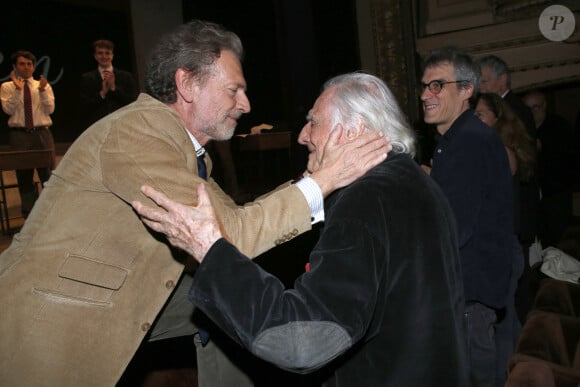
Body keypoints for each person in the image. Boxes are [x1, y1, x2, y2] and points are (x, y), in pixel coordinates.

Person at [0, 20, 389, 387]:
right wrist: (326, 180)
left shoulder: (190, 149)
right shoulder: (138, 131)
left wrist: (311, 182)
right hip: (46, 318)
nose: (247, 104)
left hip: (120, 287)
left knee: (230, 299)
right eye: (234, 90)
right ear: (186, 83)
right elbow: (228, 235)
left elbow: (234, 219)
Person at [132, 72, 469, 386]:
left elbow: (303, 341)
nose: (303, 135)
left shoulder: (365, 201)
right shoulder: (414, 182)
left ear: (351, 132)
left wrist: (209, 250)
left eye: (313, 121)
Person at [420, 47, 514, 387]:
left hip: (469, 289)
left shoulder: (469, 142)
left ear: (467, 90)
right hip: (468, 287)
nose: (425, 95)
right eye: (425, 86)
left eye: (437, 85)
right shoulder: (457, 139)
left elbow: (454, 227)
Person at [474, 92, 536, 385]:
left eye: (480, 116)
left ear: (497, 120)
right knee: (505, 323)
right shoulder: (493, 149)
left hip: (503, 248)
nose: (473, 122)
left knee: (501, 327)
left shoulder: (501, 151)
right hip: (502, 248)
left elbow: (480, 197)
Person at [477, 54, 540, 260]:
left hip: (517, 207)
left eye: (484, 82)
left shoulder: (514, 109)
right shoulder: (505, 107)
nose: (481, 88)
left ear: (502, 80)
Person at [0, 50, 56, 216]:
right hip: (20, 135)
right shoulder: (7, 87)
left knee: (47, 175)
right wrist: (18, 90)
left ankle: (50, 214)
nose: (26, 67)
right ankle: (30, 216)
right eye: (22, 64)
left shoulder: (42, 85)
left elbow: (50, 109)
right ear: (15, 66)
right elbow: (8, 109)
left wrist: (43, 91)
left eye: (29, 64)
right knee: (24, 177)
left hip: (41, 133)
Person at [523, 90, 575, 248]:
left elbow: (566, 159)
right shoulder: (524, 128)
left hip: (556, 192)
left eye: (536, 107)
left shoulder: (559, 126)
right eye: (528, 108)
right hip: (534, 194)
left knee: (555, 238)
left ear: (544, 106)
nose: (532, 112)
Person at [79, 39, 138, 127]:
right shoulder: (87, 78)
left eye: (107, 53)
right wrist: (102, 93)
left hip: (122, 124)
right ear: (95, 56)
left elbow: (134, 102)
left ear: (112, 55)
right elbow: (84, 107)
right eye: (100, 53)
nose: (104, 56)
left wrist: (114, 88)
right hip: (97, 126)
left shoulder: (126, 76)